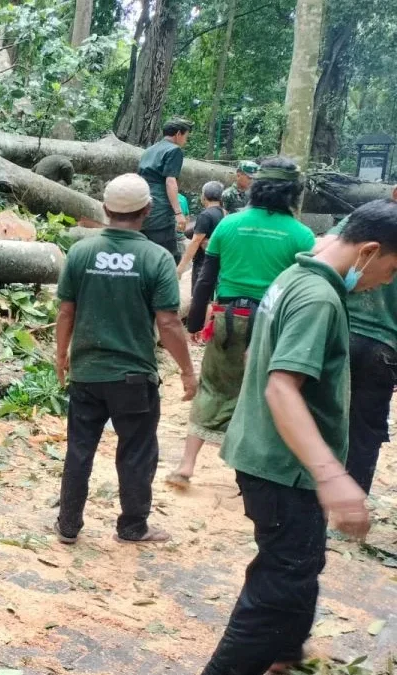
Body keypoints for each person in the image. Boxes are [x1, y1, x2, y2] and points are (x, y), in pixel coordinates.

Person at [200, 199, 397, 675]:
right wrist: (332, 475)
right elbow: (281, 386)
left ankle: (285, 655)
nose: (387, 282)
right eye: (391, 270)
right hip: (284, 467)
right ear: (369, 251)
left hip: (265, 452)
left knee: (299, 563)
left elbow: (258, 361)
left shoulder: (294, 276)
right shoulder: (319, 299)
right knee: (280, 581)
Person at [54, 173, 197, 546]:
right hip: (134, 377)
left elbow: (66, 312)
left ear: (105, 209)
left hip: (87, 373)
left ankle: (68, 525)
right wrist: (186, 370)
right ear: (147, 211)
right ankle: (132, 527)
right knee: (136, 453)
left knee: (79, 449)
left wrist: (61, 357)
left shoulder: (81, 253)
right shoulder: (156, 258)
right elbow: (168, 322)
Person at [167, 158, 315, 488]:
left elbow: (206, 279)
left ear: (256, 188)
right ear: (292, 193)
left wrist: (194, 324)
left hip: (227, 318)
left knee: (213, 388)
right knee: (264, 394)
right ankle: (248, 477)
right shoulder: (302, 236)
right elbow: (307, 289)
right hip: (273, 323)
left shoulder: (229, 225)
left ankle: (186, 466)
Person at [313, 189, 397, 494]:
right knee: (366, 429)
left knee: (324, 411)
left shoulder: (358, 222)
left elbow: (319, 251)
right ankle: (352, 497)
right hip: (382, 346)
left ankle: (318, 491)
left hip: (340, 330)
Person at [138, 118, 193, 262]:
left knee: (145, 252)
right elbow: (170, 181)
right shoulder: (174, 150)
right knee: (167, 257)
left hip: (142, 204)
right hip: (160, 209)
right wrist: (179, 213)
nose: (185, 141)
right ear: (178, 134)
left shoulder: (149, 150)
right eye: (186, 136)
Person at [177, 181, 226, 290]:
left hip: (203, 264)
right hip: (218, 263)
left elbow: (195, 242)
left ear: (204, 196)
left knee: (199, 298)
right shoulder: (224, 213)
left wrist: (181, 267)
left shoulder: (206, 215)